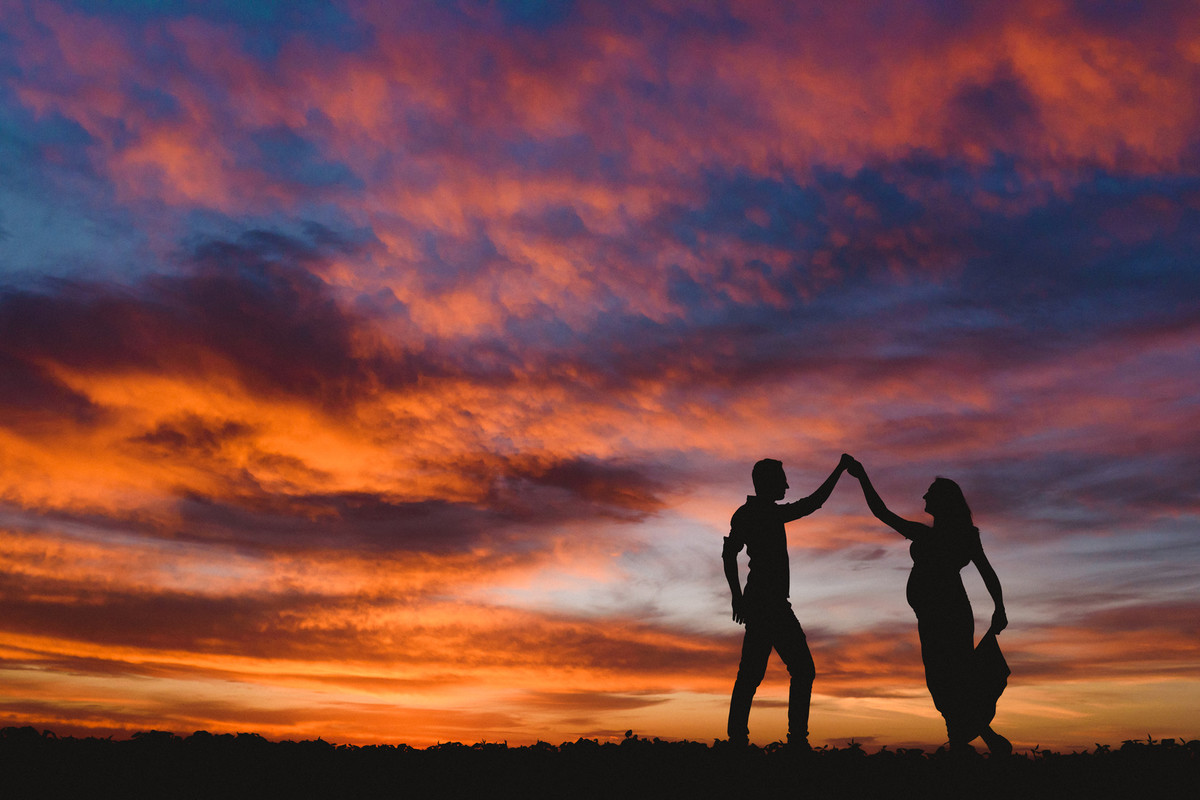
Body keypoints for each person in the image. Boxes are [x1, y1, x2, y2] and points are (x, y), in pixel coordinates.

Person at [845, 458, 1012, 755]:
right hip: (937, 615)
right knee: (945, 679)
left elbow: (987, 571)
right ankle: (979, 737)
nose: (924, 497)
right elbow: (881, 513)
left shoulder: (948, 536)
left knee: (947, 678)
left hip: (947, 613)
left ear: (944, 502)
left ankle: (965, 743)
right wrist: (998, 607)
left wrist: (999, 607)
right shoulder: (943, 534)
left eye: (930, 493)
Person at [723, 454, 853, 748]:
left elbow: (729, 554)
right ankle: (786, 741)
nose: (787, 485)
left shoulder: (753, 513)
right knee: (792, 670)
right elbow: (813, 503)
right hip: (767, 604)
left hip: (766, 602)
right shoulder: (760, 514)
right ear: (769, 483)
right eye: (783, 480)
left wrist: (738, 597)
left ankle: (743, 740)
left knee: (755, 673)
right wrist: (840, 469)